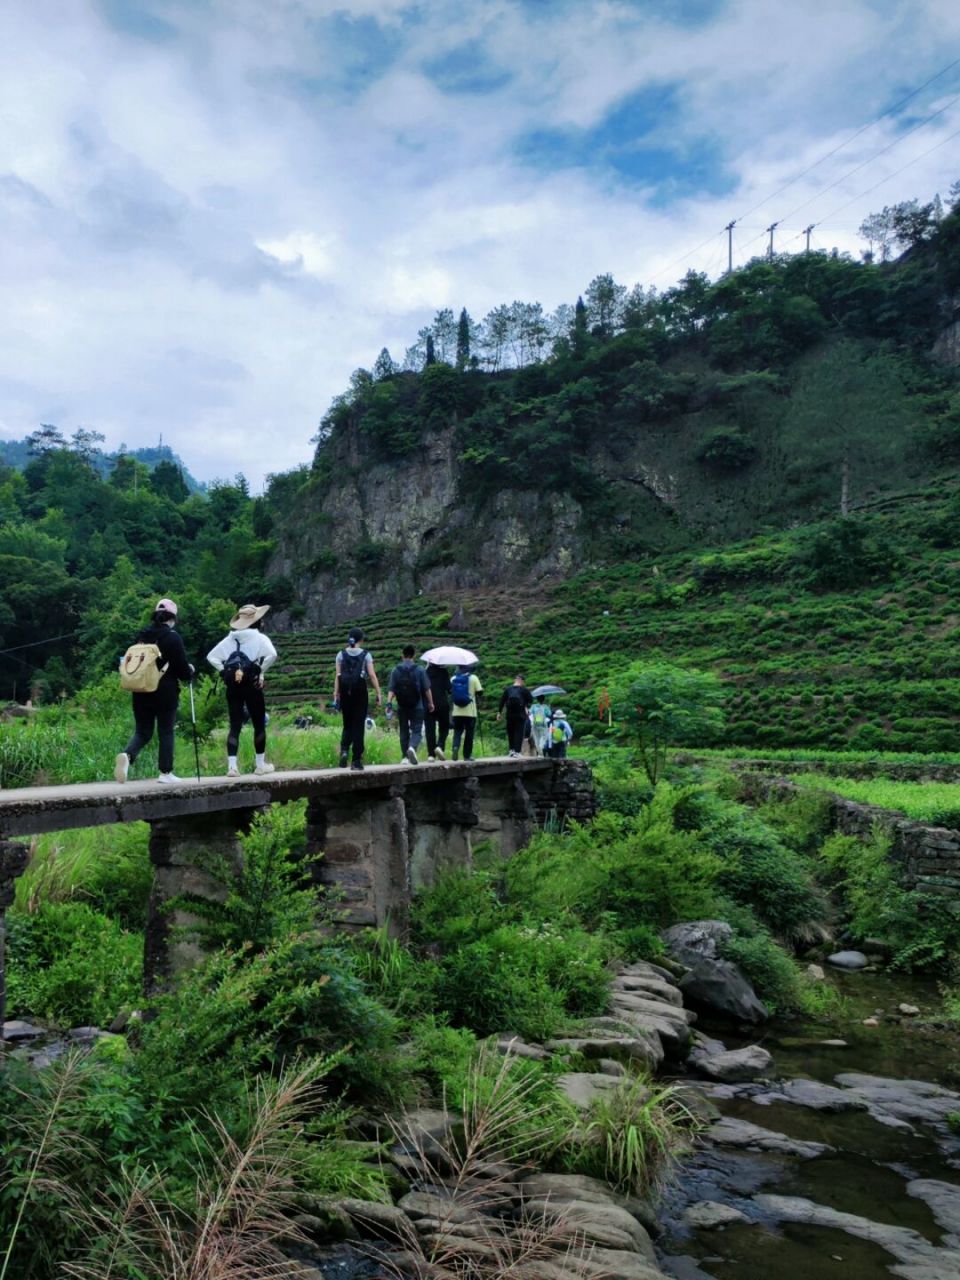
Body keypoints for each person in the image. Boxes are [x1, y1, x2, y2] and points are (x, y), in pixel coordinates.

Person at [115, 597, 195, 784]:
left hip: (140, 691)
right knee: (166, 731)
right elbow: (182, 669)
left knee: (143, 731)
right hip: (164, 692)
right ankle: (166, 773)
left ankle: (128, 755)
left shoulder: (141, 636)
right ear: (172, 618)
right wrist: (190, 671)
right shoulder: (172, 637)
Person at [206, 603, 278, 777]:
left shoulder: (230, 639)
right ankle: (260, 765)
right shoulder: (259, 638)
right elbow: (273, 655)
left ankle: (232, 767)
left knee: (235, 726)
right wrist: (260, 670)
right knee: (259, 724)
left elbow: (211, 657)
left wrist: (224, 671)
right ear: (257, 621)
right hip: (251, 685)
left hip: (233, 687)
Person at [334, 628, 382, 770]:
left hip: (344, 691)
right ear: (361, 640)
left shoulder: (340, 654)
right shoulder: (366, 655)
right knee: (358, 725)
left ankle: (344, 750)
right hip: (360, 691)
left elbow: (338, 675)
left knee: (347, 723)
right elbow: (372, 675)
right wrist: (378, 692)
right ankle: (356, 761)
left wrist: (336, 693)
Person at [387, 645, 434, 765]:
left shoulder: (396, 670)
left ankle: (404, 758)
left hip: (402, 705)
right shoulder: (420, 670)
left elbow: (391, 690)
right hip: (417, 705)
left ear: (402, 655)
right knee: (417, 729)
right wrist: (431, 703)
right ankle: (412, 747)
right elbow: (427, 689)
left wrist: (389, 703)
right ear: (414, 656)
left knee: (403, 730)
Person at [450, 664, 483, 761]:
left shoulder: (453, 678)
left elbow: (450, 692)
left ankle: (455, 747)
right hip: (470, 712)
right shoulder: (473, 678)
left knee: (457, 731)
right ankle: (467, 756)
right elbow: (480, 692)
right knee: (469, 734)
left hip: (457, 712)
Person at [497, 674, 533, 758]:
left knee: (511, 732)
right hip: (520, 715)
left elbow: (502, 701)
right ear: (522, 681)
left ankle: (511, 751)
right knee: (519, 732)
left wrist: (499, 712)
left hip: (509, 714)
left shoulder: (508, 689)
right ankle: (517, 752)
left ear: (515, 680)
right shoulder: (524, 690)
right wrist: (526, 706)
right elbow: (531, 700)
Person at [424, 661, 452, 760]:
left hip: (428, 704)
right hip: (442, 703)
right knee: (444, 727)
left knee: (429, 729)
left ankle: (431, 755)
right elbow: (449, 689)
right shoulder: (444, 672)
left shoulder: (425, 672)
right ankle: (440, 746)